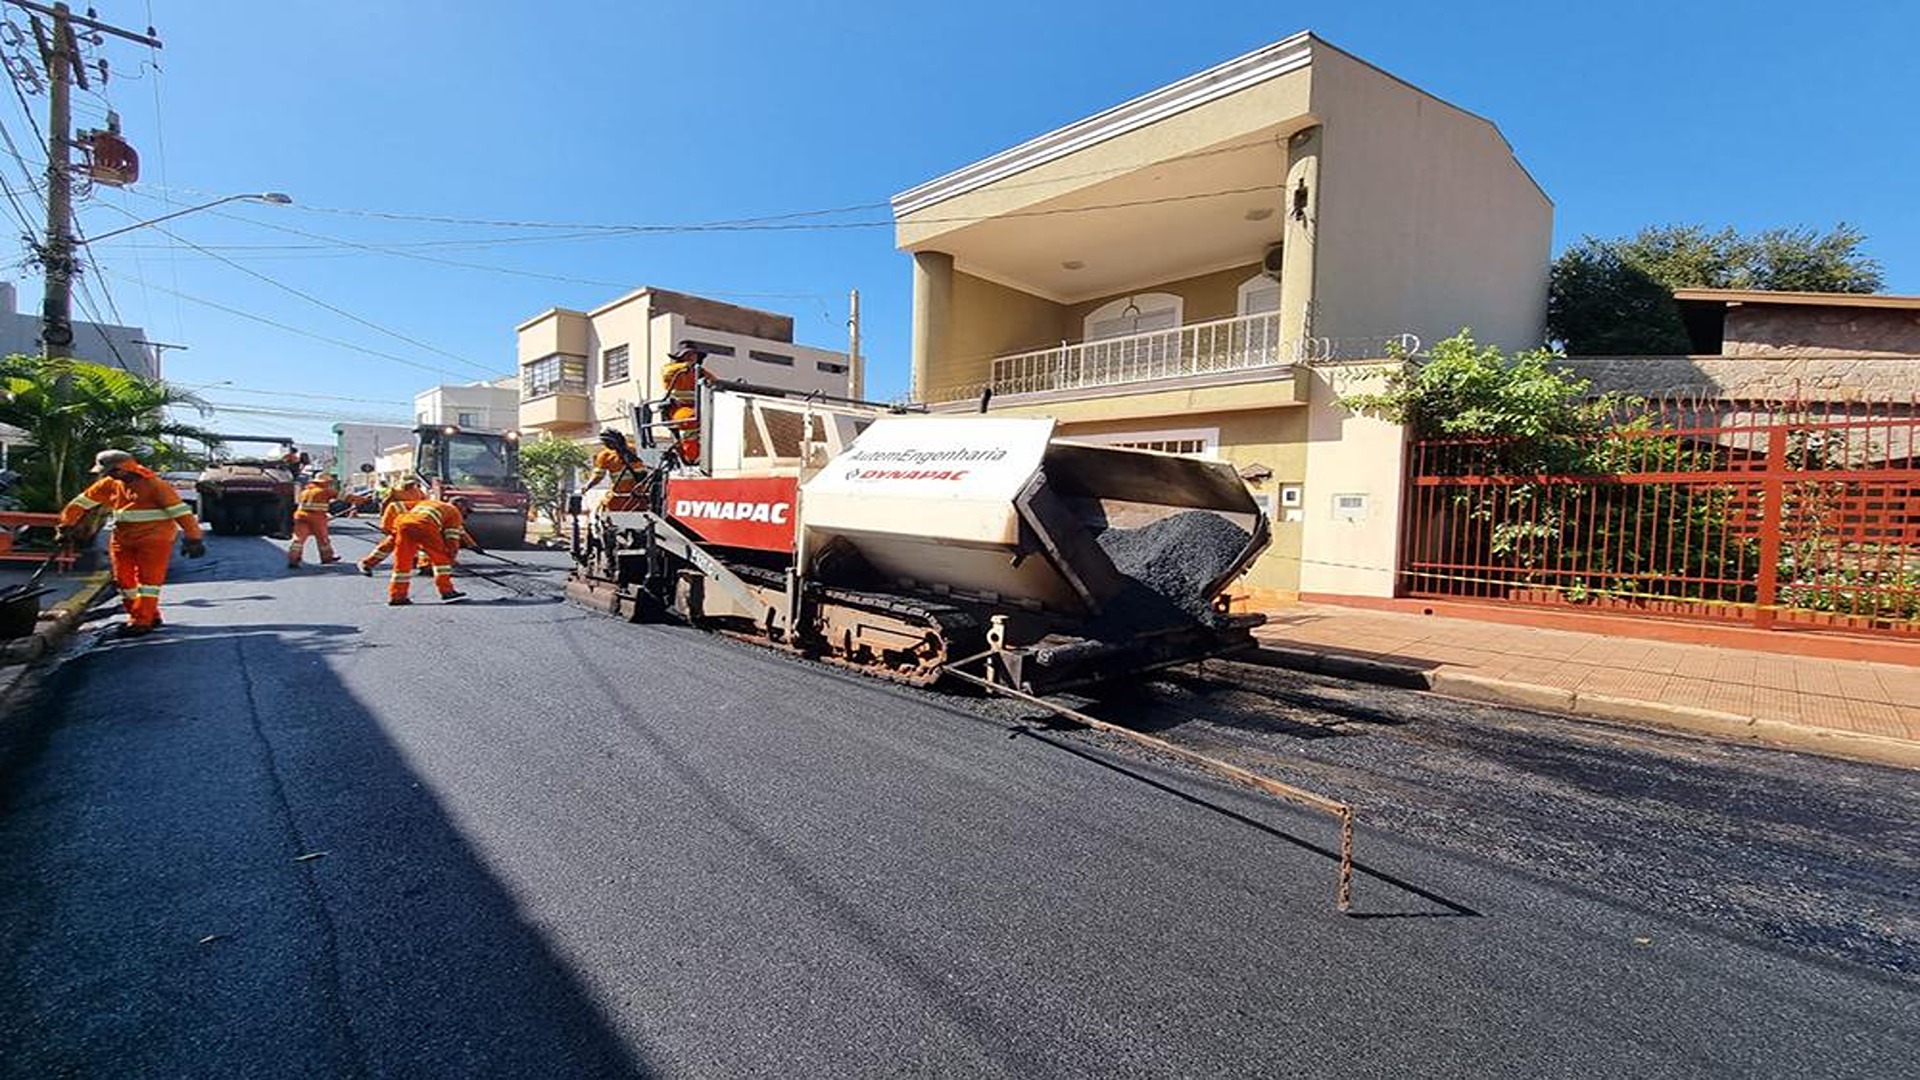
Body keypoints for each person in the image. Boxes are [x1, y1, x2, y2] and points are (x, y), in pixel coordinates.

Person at [54, 448, 206, 636]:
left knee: (148, 582)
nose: (108, 476)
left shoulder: (155, 486)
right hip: (123, 538)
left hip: (155, 539)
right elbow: (80, 503)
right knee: (124, 581)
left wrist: (194, 538)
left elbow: (181, 513)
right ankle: (149, 614)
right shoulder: (110, 484)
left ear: (123, 469)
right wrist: (66, 526)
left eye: (110, 472)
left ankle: (141, 622)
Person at [385, 496, 472, 606]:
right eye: (467, 510)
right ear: (460, 506)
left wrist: (388, 528)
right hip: (426, 526)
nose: (467, 514)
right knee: (441, 561)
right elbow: (452, 539)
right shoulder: (454, 512)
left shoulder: (430, 503)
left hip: (403, 525)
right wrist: (451, 557)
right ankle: (447, 591)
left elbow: (399, 508)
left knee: (402, 562)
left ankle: (397, 596)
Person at [357, 477, 428, 576]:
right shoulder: (395, 492)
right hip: (399, 525)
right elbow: (386, 506)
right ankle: (366, 564)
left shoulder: (418, 492)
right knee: (388, 546)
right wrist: (386, 526)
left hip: (414, 523)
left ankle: (424, 565)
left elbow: (426, 505)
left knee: (422, 545)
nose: (412, 485)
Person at [660, 340, 709, 465]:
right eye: (687, 354)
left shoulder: (700, 371)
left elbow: (715, 382)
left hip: (701, 408)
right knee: (690, 419)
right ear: (680, 357)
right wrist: (685, 366)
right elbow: (667, 373)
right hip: (678, 408)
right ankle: (691, 458)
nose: (692, 357)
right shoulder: (672, 369)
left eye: (693, 354)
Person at [287, 472, 341, 569]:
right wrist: (362, 500)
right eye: (328, 482)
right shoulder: (325, 491)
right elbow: (345, 497)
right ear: (325, 482)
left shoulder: (305, 491)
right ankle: (327, 558)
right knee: (323, 539)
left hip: (300, 516)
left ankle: (293, 559)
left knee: (298, 539)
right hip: (317, 518)